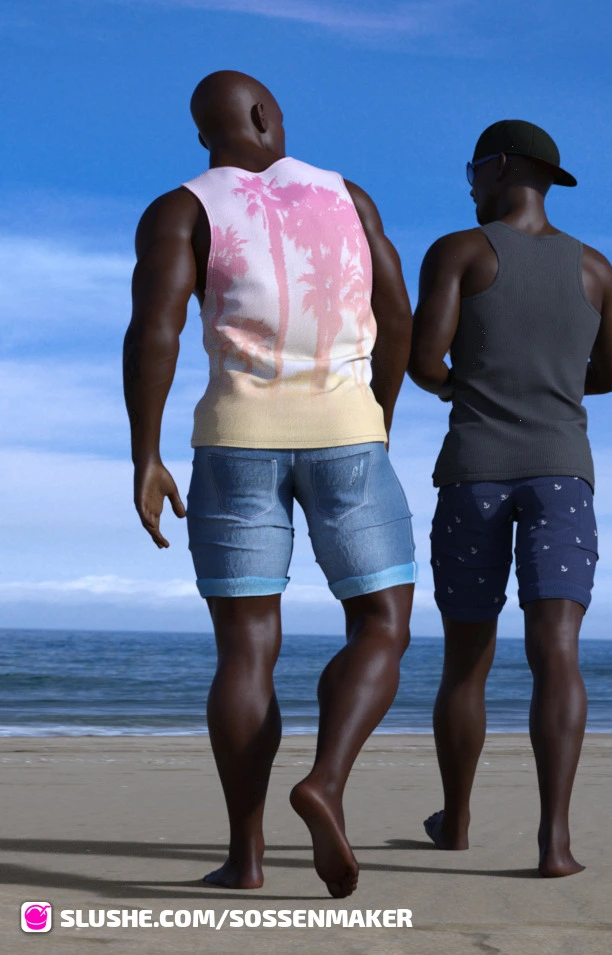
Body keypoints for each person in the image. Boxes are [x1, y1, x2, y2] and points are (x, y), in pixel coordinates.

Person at [124, 71, 417, 898]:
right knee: (382, 623)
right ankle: (325, 779)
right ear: (263, 115)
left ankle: (246, 858)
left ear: (205, 134)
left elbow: (154, 331)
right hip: (348, 434)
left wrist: (146, 454)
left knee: (246, 649)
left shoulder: (180, 208)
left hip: (235, 441)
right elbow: (397, 315)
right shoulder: (347, 195)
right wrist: (377, 412)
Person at [407, 120, 612, 878]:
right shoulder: (596, 268)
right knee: (557, 653)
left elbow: (423, 361)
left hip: (475, 471)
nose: (469, 184)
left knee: (466, 660)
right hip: (562, 475)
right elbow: (611, 375)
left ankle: (457, 821)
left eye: (472, 169)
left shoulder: (459, 252)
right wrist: (551, 384)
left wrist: (471, 387)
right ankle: (554, 842)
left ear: (499, 167)